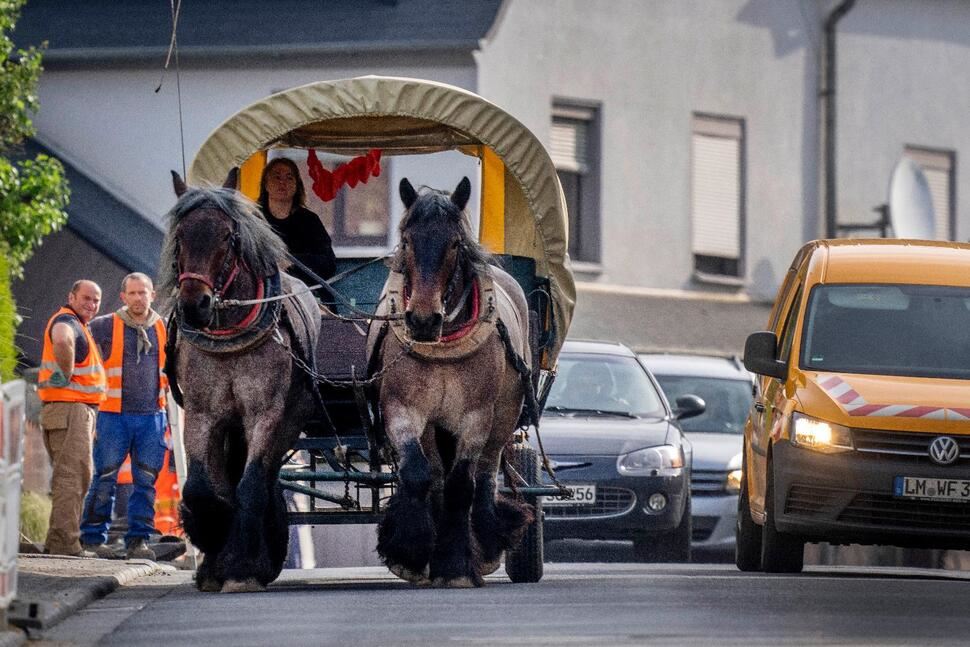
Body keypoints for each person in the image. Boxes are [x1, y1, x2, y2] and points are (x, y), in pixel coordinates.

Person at [80, 273, 169, 560]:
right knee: (104, 477)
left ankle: (138, 541)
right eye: (132, 293)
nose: (138, 299)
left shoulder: (164, 328)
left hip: (152, 417)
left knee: (146, 481)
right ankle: (93, 539)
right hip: (112, 415)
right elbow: (82, 355)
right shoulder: (104, 326)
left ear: (152, 295)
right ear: (123, 297)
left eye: (143, 293)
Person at [37, 280, 106, 557]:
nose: (91, 305)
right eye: (86, 298)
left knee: (76, 477)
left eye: (96, 300)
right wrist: (64, 374)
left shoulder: (79, 324)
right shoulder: (67, 320)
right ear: (71, 297)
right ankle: (65, 544)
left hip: (73, 411)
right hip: (70, 410)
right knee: (72, 477)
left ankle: (59, 540)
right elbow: (63, 338)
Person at [258, 157, 337, 291]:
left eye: (289, 178)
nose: (282, 183)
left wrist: (291, 261)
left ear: (297, 185)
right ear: (266, 184)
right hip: (264, 293)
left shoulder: (309, 220)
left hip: (308, 293)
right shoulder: (254, 220)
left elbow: (328, 264)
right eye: (277, 177)